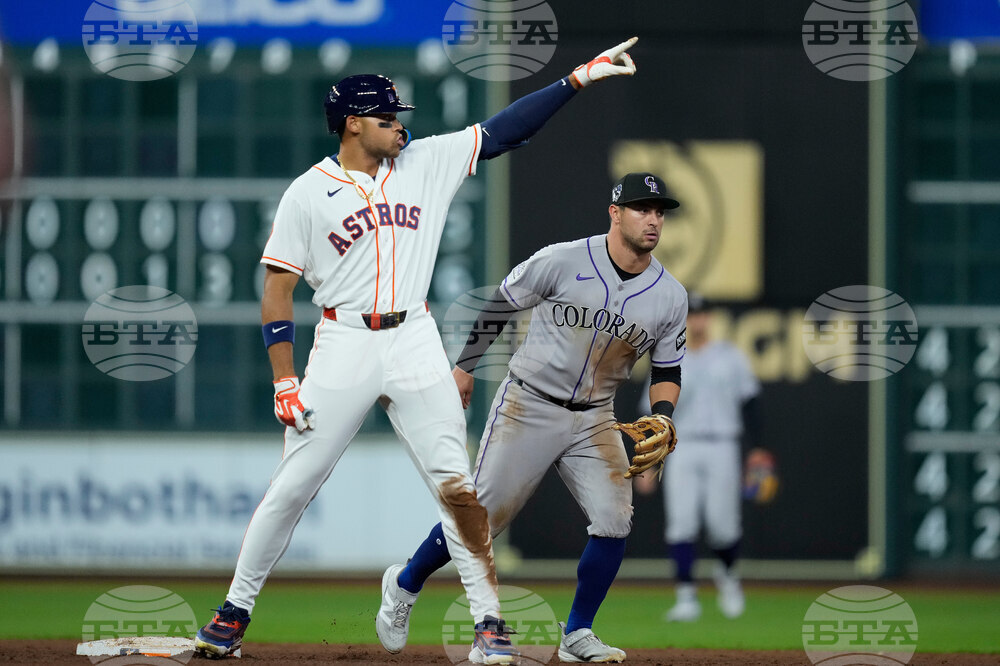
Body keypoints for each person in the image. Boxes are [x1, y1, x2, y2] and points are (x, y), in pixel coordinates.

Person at [193, 37, 642, 664]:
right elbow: (278, 287)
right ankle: (234, 612)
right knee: (294, 485)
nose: (400, 125)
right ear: (353, 125)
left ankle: (488, 626)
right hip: (344, 339)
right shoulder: (307, 193)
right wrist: (283, 380)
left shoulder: (426, 162)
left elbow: (505, 131)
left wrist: (574, 80)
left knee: (458, 487)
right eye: (387, 117)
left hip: (414, 339)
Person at [376, 172, 688, 664]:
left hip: (596, 417)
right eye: (641, 208)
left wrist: (665, 414)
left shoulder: (669, 295)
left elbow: (667, 369)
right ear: (615, 213)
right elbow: (500, 304)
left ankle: (578, 632)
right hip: (530, 403)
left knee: (614, 520)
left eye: (659, 211)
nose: (652, 219)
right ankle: (405, 583)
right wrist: (463, 368)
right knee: (482, 519)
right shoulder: (562, 259)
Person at [636, 294, 762, 622]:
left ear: (710, 318)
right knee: (682, 523)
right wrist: (648, 463)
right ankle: (686, 597)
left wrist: (757, 451)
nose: (697, 320)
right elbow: (654, 418)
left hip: (723, 444)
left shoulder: (730, 356)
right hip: (682, 446)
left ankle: (729, 578)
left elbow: (751, 405)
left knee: (723, 525)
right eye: (692, 315)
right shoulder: (669, 358)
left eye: (702, 314)